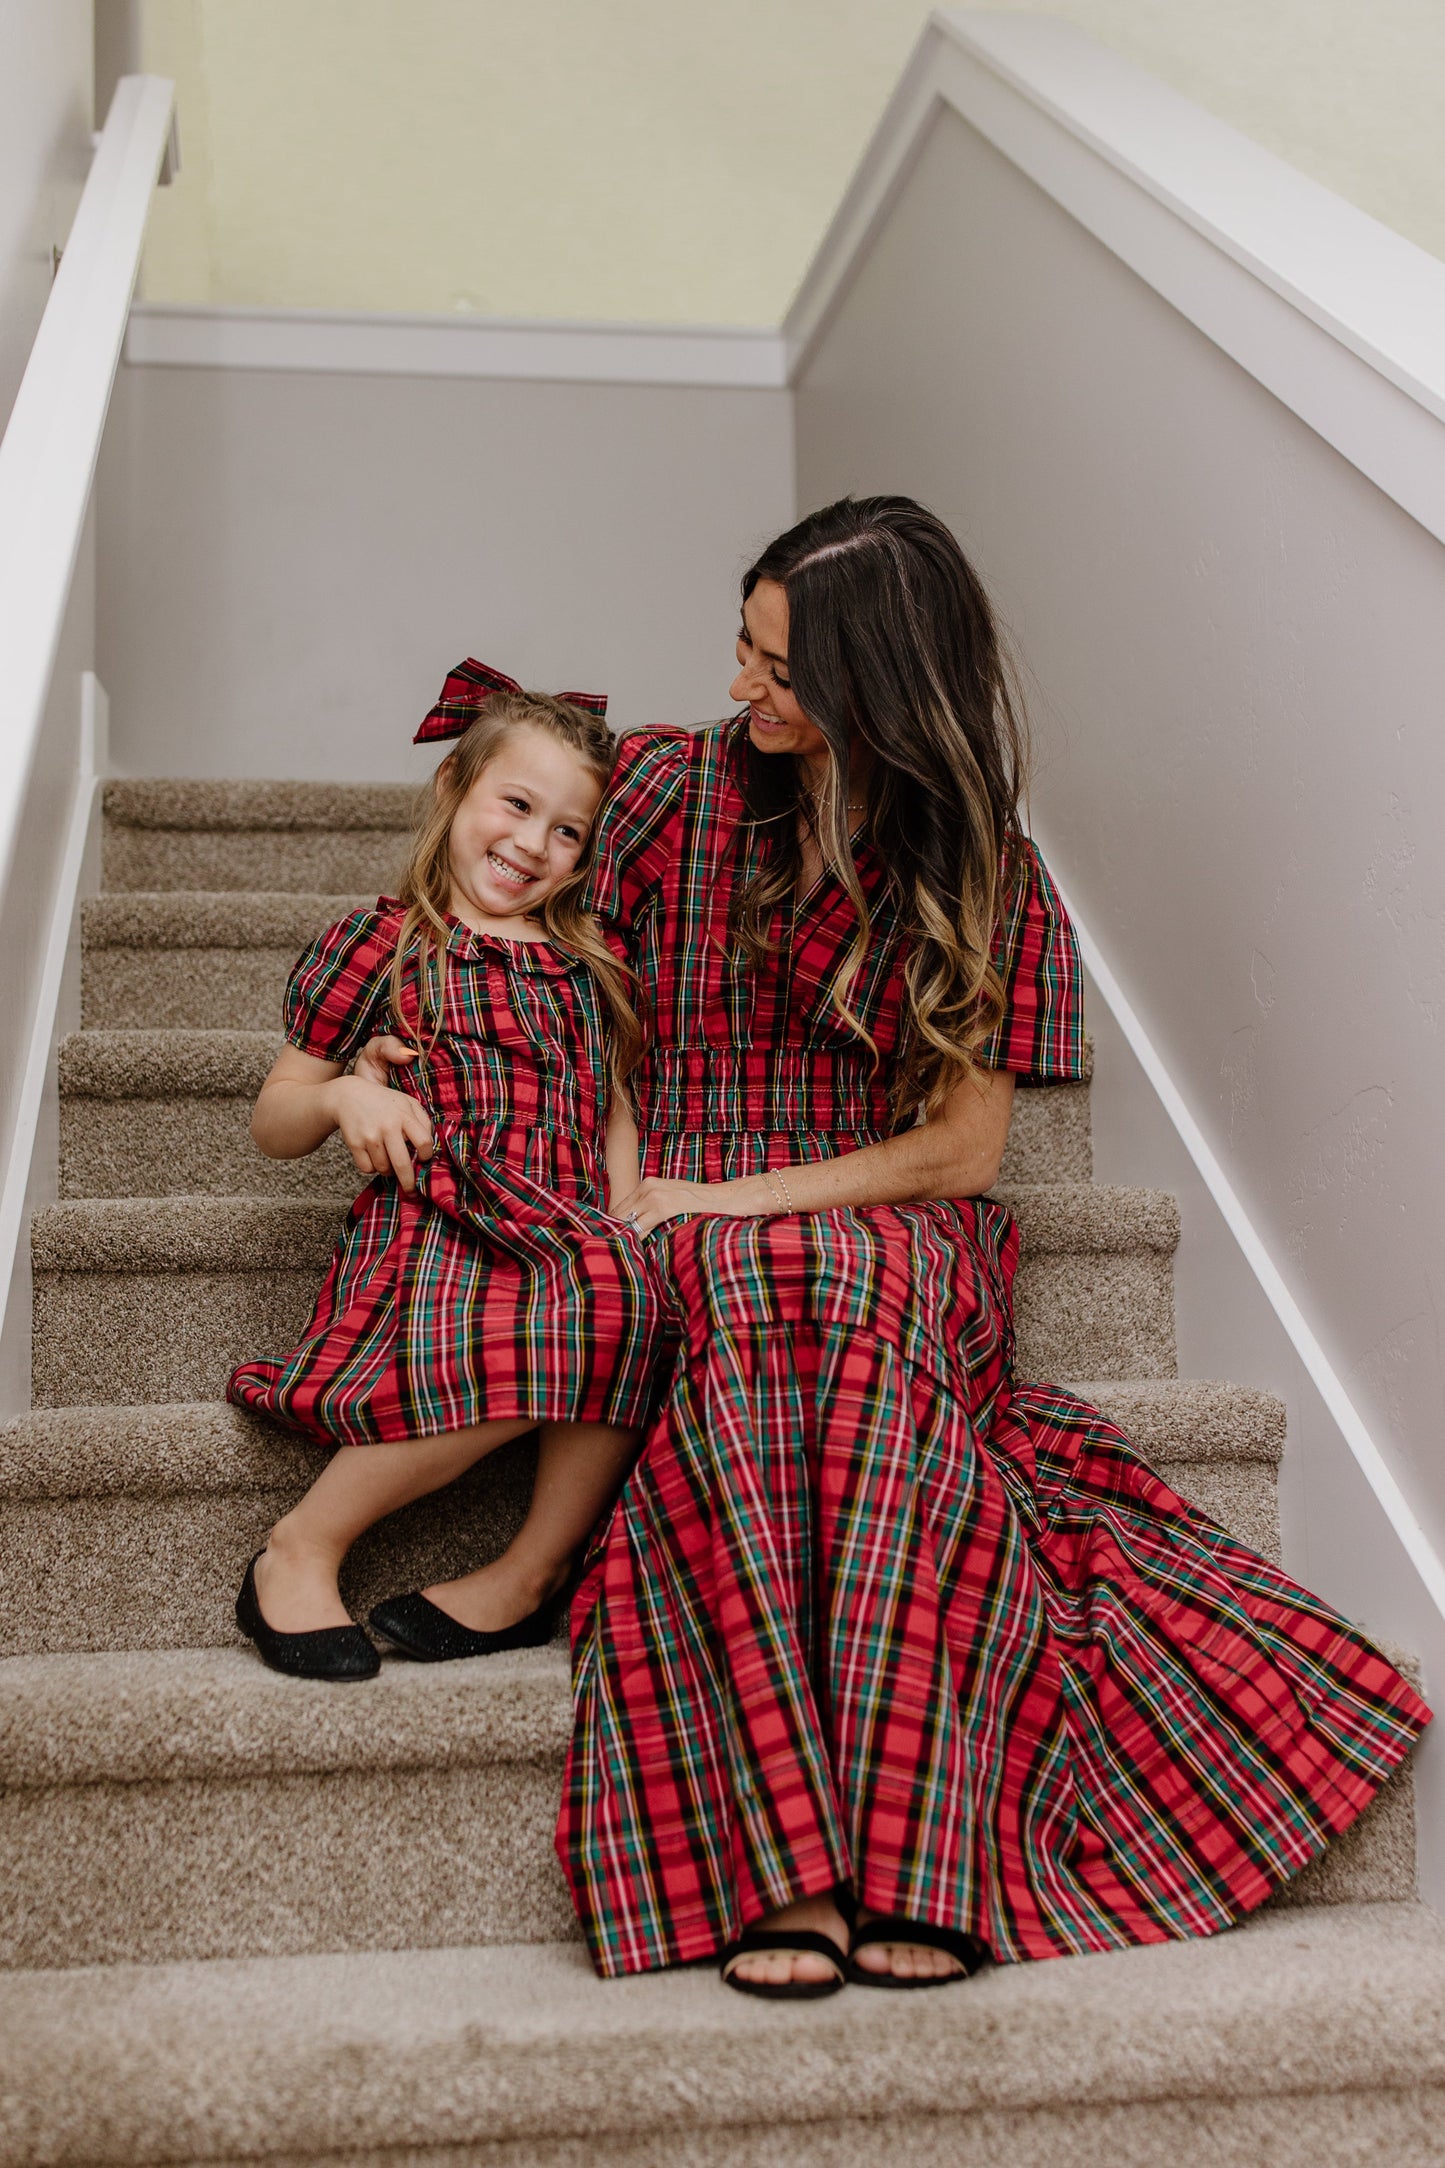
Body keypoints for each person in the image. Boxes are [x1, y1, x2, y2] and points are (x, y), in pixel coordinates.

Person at [361, 498, 1430, 1998]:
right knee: (759, 1295)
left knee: (811, 1274)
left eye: (780, 665)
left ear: (876, 683)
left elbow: (965, 1150)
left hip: (890, 1218)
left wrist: (725, 1199)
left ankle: (914, 1858)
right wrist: (444, 1102)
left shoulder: (974, 856)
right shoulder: (663, 791)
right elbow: (524, 963)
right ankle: (790, 1871)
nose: (742, 685)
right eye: (742, 643)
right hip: (687, 1212)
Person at [227, 668, 662, 1683]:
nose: (532, 844)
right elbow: (273, 1116)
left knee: (628, 1289)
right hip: (441, 1217)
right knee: (571, 1302)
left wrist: (626, 1204)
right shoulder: (382, 942)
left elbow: (611, 1110)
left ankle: (531, 1566)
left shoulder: (586, 965)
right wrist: (345, 1097)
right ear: (451, 792)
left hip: (561, 1222)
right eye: (515, 804)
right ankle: (301, 1543)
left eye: (569, 831)